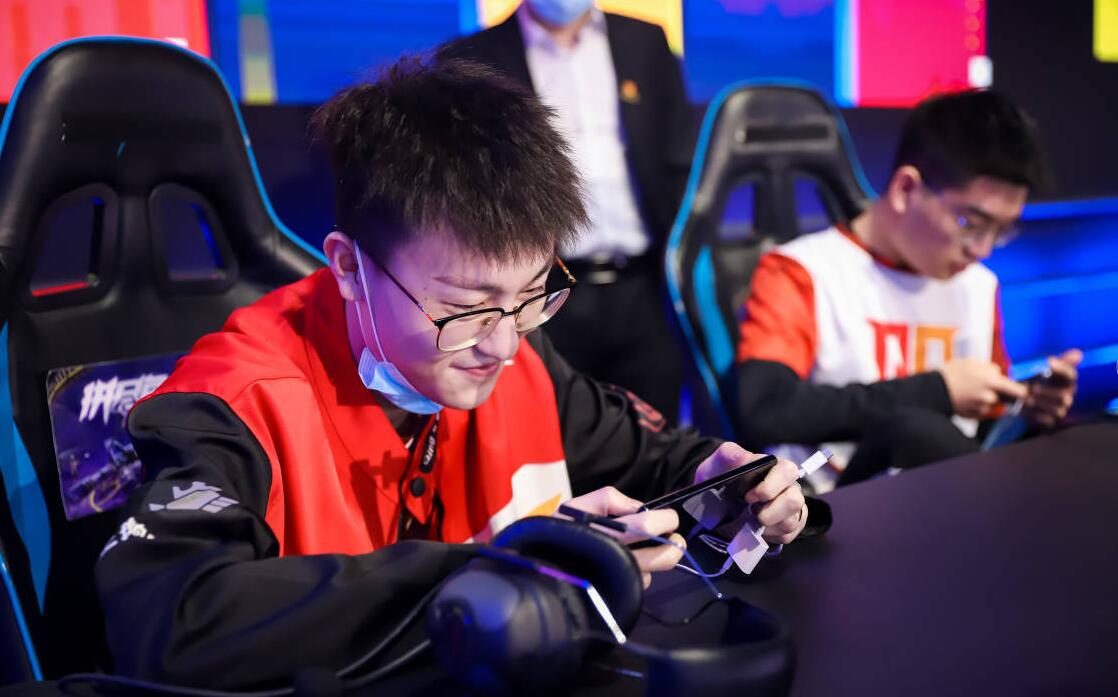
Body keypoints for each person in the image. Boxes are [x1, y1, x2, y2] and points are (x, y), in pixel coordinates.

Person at [93, 57, 808, 688]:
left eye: (532, 294)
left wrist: (739, 484)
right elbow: (170, 624)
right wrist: (499, 568)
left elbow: (657, 459)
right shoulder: (233, 403)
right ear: (348, 267)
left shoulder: (521, 354)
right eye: (466, 307)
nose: (502, 345)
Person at [731, 89, 1081, 492]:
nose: (982, 249)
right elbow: (766, 409)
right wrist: (938, 391)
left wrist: (1028, 407)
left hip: (951, 494)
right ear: (905, 189)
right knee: (912, 430)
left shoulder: (978, 285)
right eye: (971, 224)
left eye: (1001, 231)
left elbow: (985, 431)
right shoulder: (803, 271)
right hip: (838, 500)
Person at [440, 0, 694, 423]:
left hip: (644, 288)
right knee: (554, 429)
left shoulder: (645, 40)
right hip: (541, 295)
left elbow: (679, 159)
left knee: (655, 431)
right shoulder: (473, 58)